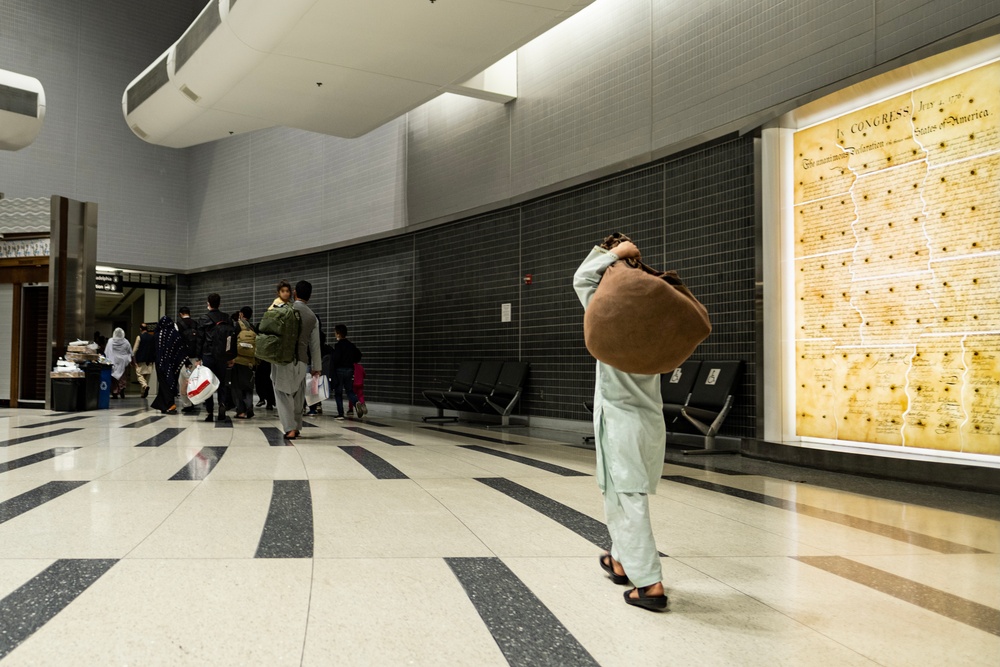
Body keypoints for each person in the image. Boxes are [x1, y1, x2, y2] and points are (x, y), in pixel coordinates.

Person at [573, 233, 668, 612]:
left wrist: (614, 254)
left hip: (621, 420)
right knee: (623, 493)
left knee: (626, 499)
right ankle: (620, 561)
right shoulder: (656, 311)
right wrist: (629, 258)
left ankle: (650, 585)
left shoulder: (610, 313)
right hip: (648, 420)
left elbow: (582, 278)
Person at [271, 280, 322, 440]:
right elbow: (315, 345)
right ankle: (297, 425)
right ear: (310, 296)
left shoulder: (284, 309)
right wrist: (317, 367)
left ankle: (290, 428)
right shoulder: (313, 317)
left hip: (283, 359)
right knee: (298, 392)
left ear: (294, 293)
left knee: (282, 392)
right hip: (302, 360)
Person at [197, 293, 232, 423]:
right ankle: (222, 404)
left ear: (208, 303)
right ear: (219, 303)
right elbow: (230, 339)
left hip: (208, 355)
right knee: (222, 382)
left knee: (208, 383)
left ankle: (210, 411)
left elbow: (200, 339)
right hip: (222, 356)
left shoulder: (203, 318)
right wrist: (230, 356)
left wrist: (198, 357)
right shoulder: (226, 318)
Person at [255, 281, 290, 410]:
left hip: (283, 348)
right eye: (283, 291)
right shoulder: (275, 307)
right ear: (278, 293)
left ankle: (273, 401)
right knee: (273, 378)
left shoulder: (290, 307)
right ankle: (274, 402)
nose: (286, 293)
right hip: (275, 349)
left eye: (287, 291)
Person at [150, 315, 188, 415]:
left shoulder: (157, 335)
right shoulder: (175, 334)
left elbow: (153, 349)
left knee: (163, 384)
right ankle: (165, 405)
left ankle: (170, 405)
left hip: (160, 364)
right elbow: (181, 349)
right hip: (172, 365)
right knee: (170, 383)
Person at [330, 324, 363, 419]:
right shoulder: (351, 345)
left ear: (338, 334)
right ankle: (356, 402)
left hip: (339, 370)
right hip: (349, 370)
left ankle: (340, 413)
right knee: (349, 391)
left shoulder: (338, 346)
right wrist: (352, 361)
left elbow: (336, 359)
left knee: (338, 392)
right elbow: (358, 355)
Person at [231, 307, 257, 419]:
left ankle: (241, 411)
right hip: (250, 362)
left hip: (238, 360)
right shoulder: (253, 328)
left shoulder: (237, 326)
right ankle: (249, 406)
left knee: (237, 386)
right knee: (248, 385)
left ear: (241, 314)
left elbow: (231, 342)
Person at [175, 307, 202, 414]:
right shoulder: (196, 324)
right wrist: (199, 357)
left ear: (180, 314)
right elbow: (200, 341)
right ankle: (194, 401)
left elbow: (178, 343)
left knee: (184, 382)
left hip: (184, 360)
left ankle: (187, 404)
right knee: (194, 380)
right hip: (196, 358)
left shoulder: (178, 325)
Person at [104, 327, 133, 399]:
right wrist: (133, 361)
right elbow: (130, 352)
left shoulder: (110, 341)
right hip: (123, 361)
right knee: (122, 377)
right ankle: (122, 388)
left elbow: (107, 351)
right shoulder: (126, 341)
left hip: (113, 360)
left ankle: (115, 392)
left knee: (114, 378)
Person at [132, 322, 156, 398]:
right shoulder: (152, 337)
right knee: (146, 376)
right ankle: (143, 393)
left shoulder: (139, 337)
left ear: (140, 329)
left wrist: (132, 359)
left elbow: (135, 350)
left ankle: (145, 386)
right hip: (150, 360)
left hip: (141, 359)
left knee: (139, 375)